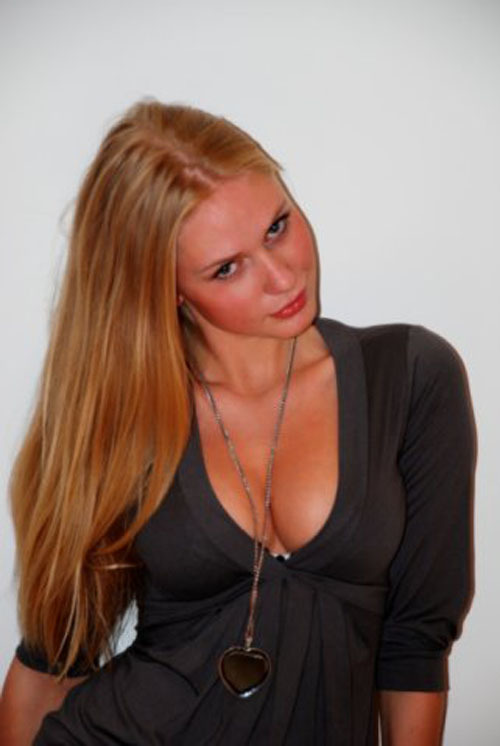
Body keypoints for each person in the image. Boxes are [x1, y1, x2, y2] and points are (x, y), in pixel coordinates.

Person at [0, 99, 475, 745]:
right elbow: (50, 666)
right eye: (226, 268)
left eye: (277, 226)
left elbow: (415, 645)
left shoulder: (410, 377)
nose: (282, 277)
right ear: (168, 289)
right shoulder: (120, 419)